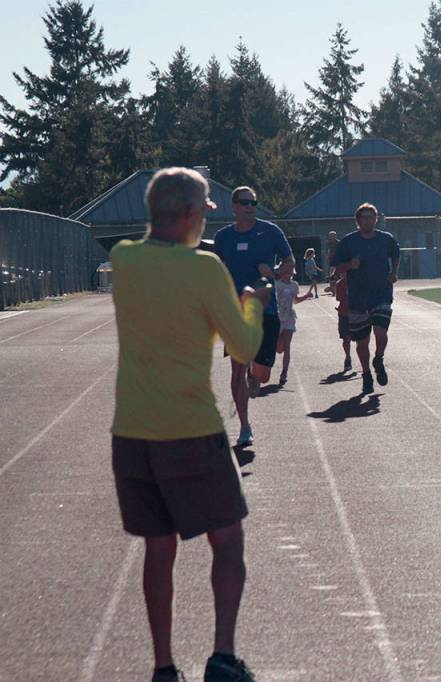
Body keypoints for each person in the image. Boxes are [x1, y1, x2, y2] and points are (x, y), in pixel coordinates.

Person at [111, 167, 266, 682]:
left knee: (159, 548)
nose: (205, 221)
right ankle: (222, 657)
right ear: (187, 216)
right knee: (229, 539)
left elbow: (143, 245)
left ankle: (163, 667)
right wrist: (254, 304)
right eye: (202, 211)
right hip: (190, 428)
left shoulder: (123, 262)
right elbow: (243, 347)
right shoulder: (205, 269)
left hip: (132, 432)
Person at [213, 186, 294, 447]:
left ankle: (254, 373)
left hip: (266, 311)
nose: (250, 206)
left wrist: (273, 271)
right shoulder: (223, 237)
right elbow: (214, 271)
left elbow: (289, 263)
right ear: (234, 206)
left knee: (261, 375)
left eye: (254, 202)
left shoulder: (270, 231)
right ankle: (245, 427)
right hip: (236, 312)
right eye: (244, 202)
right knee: (237, 371)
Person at [330, 203, 400, 395]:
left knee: (381, 332)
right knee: (361, 342)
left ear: (376, 219)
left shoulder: (386, 239)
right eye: (364, 217)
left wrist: (394, 272)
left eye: (371, 217)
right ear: (358, 221)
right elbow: (337, 268)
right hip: (358, 297)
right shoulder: (348, 242)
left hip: (382, 293)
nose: (368, 220)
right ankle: (367, 373)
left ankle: (379, 358)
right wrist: (350, 265)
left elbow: (396, 254)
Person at [274, 261, 313, 385]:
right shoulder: (276, 284)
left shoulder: (294, 285)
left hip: (289, 317)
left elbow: (295, 300)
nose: (289, 274)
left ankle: (284, 373)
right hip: (277, 318)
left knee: (287, 347)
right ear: (281, 272)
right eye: (286, 272)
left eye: (291, 272)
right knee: (278, 348)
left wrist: (306, 296)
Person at [334, 269, 353, 372]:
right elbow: (339, 298)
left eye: (346, 271)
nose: (344, 274)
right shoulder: (339, 284)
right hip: (344, 314)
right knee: (346, 338)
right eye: (342, 272)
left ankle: (364, 360)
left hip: (356, 313)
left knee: (360, 339)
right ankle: (348, 358)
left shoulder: (356, 281)